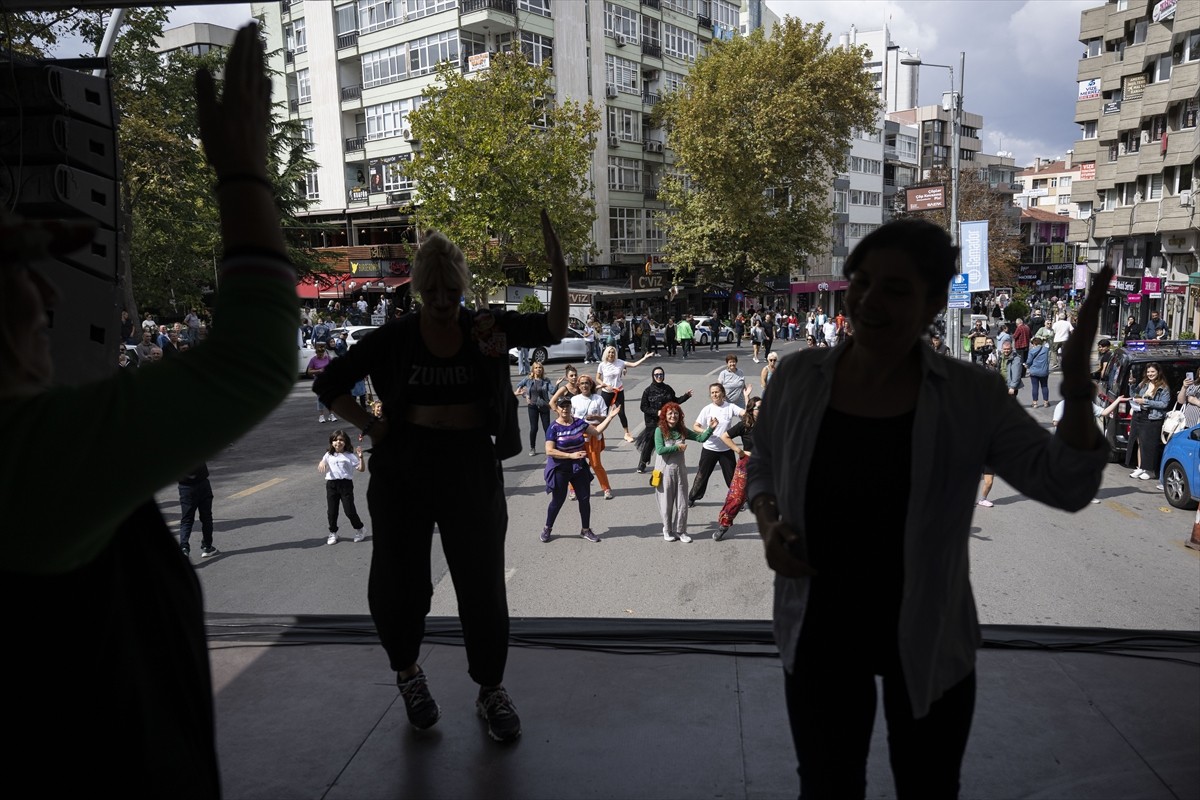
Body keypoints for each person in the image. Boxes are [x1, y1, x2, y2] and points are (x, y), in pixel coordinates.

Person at [0, 23, 294, 795]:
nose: (51, 289)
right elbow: (255, 358)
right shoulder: (28, 462)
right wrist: (241, 174)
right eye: (22, 272)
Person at [746, 218, 1111, 799]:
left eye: (895, 289)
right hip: (819, 628)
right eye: (861, 282)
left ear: (935, 301)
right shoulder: (797, 378)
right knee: (826, 785)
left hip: (930, 634)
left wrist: (1077, 384)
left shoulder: (971, 395)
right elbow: (762, 458)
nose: (868, 302)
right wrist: (767, 520)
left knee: (929, 786)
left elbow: (1065, 485)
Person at [313, 209, 571, 744]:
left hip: (469, 466)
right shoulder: (395, 337)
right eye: (430, 292)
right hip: (404, 467)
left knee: (481, 584)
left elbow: (554, 327)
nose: (440, 302)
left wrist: (557, 268)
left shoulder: (486, 328)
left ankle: (491, 689)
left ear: (462, 288)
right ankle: (408, 674)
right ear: (418, 289)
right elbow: (331, 383)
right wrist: (371, 426)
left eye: (450, 292)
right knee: (400, 583)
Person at [542, 395, 621, 543]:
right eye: (562, 406)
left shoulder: (578, 423)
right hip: (560, 468)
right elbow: (549, 451)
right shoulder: (553, 427)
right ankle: (547, 528)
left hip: (578, 467)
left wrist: (610, 417)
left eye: (567, 406)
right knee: (557, 501)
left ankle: (585, 530)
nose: (565, 409)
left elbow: (596, 431)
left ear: (571, 408)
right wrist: (570, 455)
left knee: (584, 499)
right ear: (557, 409)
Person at [653, 402, 717, 543]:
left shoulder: (682, 430)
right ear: (665, 415)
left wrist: (710, 429)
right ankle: (667, 530)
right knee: (667, 503)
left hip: (680, 471)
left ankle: (681, 531)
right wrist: (678, 447)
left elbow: (700, 438)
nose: (673, 415)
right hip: (665, 472)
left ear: (679, 415)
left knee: (682, 503)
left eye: (676, 413)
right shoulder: (660, 430)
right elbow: (659, 450)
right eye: (670, 413)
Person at [686, 383, 745, 508]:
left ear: (723, 393)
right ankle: (692, 497)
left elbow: (745, 413)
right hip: (710, 448)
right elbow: (695, 426)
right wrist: (707, 431)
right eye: (712, 392)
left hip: (726, 449)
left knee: (732, 478)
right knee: (702, 476)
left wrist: (746, 397)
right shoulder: (707, 409)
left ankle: (736, 501)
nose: (715, 394)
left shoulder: (730, 407)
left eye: (717, 392)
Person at [715, 395, 761, 541]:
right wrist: (739, 451)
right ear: (752, 410)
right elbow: (725, 436)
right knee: (736, 497)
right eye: (759, 408)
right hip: (747, 463)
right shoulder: (745, 425)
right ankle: (724, 525)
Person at [636, 366, 692, 473]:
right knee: (650, 443)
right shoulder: (648, 391)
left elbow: (675, 401)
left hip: (665, 421)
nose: (659, 377)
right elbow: (643, 407)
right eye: (656, 375)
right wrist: (656, 412)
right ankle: (642, 463)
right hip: (652, 422)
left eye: (661, 375)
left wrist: (686, 396)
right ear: (653, 376)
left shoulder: (668, 389)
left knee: (667, 442)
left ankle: (666, 463)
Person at [596, 344, 654, 443]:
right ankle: (599, 433)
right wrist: (604, 385)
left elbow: (634, 365)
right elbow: (597, 378)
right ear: (606, 353)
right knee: (603, 414)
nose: (611, 354)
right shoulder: (602, 365)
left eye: (613, 352)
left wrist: (645, 357)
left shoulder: (620, 362)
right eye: (609, 352)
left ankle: (627, 433)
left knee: (621, 413)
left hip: (618, 391)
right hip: (606, 392)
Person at [318, 430, 367, 544]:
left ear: (345, 442)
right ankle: (333, 533)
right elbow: (323, 461)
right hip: (331, 485)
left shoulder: (349, 456)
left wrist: (361, 458)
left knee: (349, 511)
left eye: (341, 440)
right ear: (331, 442)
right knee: (332, 511)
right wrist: (321, 462)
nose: (338, 442)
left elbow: (361, 469)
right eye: (335, 440)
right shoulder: (328, 454)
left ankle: (360, 529)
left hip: (345, 485)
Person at [1125, 363, 1171, 482]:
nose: (1150, 374)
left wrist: (1145, 402)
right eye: (1148, 372)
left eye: (1152, 372)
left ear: (1158, 372)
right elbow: (1134, 395)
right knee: (1139, 441)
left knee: (1149, 444)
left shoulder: (1163, 387)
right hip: (1139, 414)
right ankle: (1141, 467)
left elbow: (1164, 404)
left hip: (1152, 418)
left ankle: (1150, 471)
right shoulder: (1143, 384)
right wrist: (1132, 384)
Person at [572, 376, 615, 500]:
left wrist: (596, 417)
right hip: (578, 435)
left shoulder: (598, 399)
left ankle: (606, 489)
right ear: (578, 386)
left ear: (591, 385)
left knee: (596, 464)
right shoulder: (574, 399)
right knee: (576, 464)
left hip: (594, 435)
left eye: (587, 383)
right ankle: (572, 489)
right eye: (582, 384)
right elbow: (570, 417)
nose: (584, 386)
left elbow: (605, 417)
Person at [178, 462, 217, 558]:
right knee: (206, 517)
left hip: (185, 487)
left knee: (187, 519)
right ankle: (207, 546)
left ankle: (184, 547)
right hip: (203, 484)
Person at [515, 361, 552, 456]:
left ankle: (550, 447)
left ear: (542, 369)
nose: (538, 369)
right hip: (533, 406)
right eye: (536, 368)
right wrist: (524, 394)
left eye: (540, 367)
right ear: (533, 370)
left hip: (544, 406)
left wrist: (559, 387)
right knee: (534, 428)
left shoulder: (546, 380)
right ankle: (532, 448)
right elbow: (519, 385)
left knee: (547, 428)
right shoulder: (528, 380)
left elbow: (552, 391)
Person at [307, 342, 336, 422]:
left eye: (322, 354)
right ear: (316, 353)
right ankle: (321, 416)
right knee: (320, 398)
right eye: (319, 354)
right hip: (319, 381)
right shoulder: (313, 359)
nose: (321, 356)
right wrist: (318, 370)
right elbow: (309, 372)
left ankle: (331, 414)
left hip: (328, 381)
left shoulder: (328, 358)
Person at [1026, 336, 1051, 408]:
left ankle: (1035, 403)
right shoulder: (1046, 349)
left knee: (1035, 387)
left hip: (1034, 371)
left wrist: (1027, 365)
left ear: (1034, 343)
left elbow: (1029, 361)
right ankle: (1046, 402)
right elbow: (1048, 344)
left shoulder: (1031, 351)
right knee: (1044, 386)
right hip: (1044, 371)